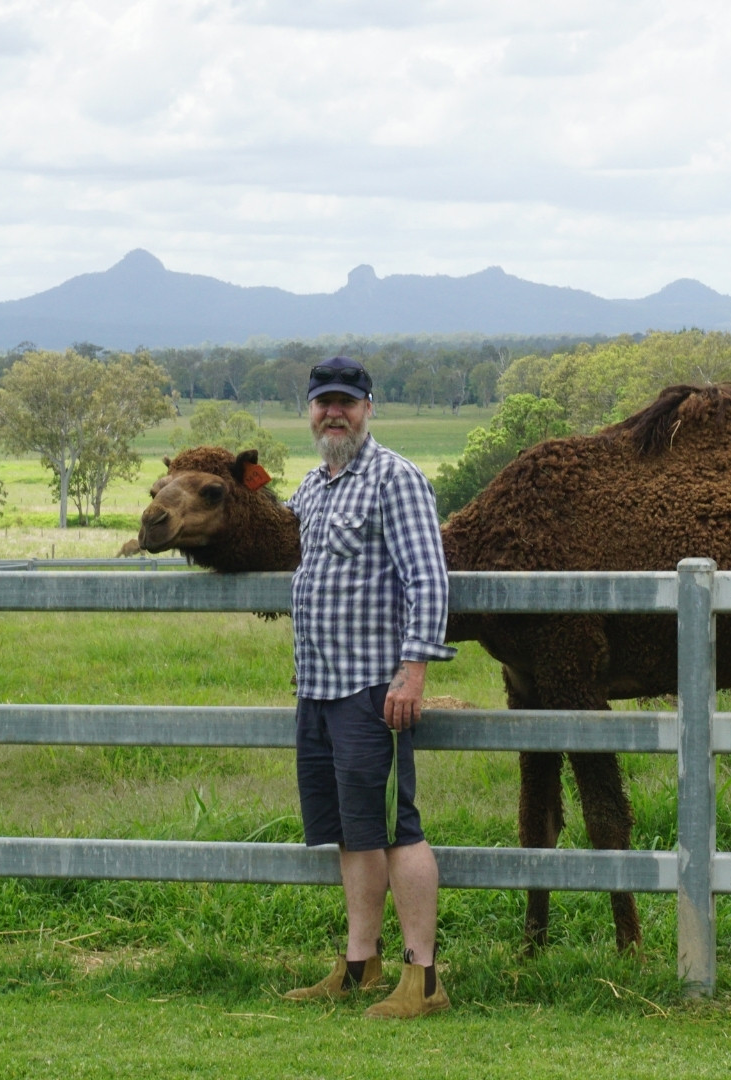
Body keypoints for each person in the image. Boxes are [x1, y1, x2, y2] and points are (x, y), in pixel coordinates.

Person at [279, 356, 455, 1019]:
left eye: (346, 402)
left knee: (396, 829)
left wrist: (413, 671)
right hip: (319, 685)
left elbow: (428, 580)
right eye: (323, 401)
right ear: (310, 409)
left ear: (368, 408)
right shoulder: (313, 486)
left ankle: (425, 980)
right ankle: (360, 965)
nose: (334, 412)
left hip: (371, 687)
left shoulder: (395, 479)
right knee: (353, 834)